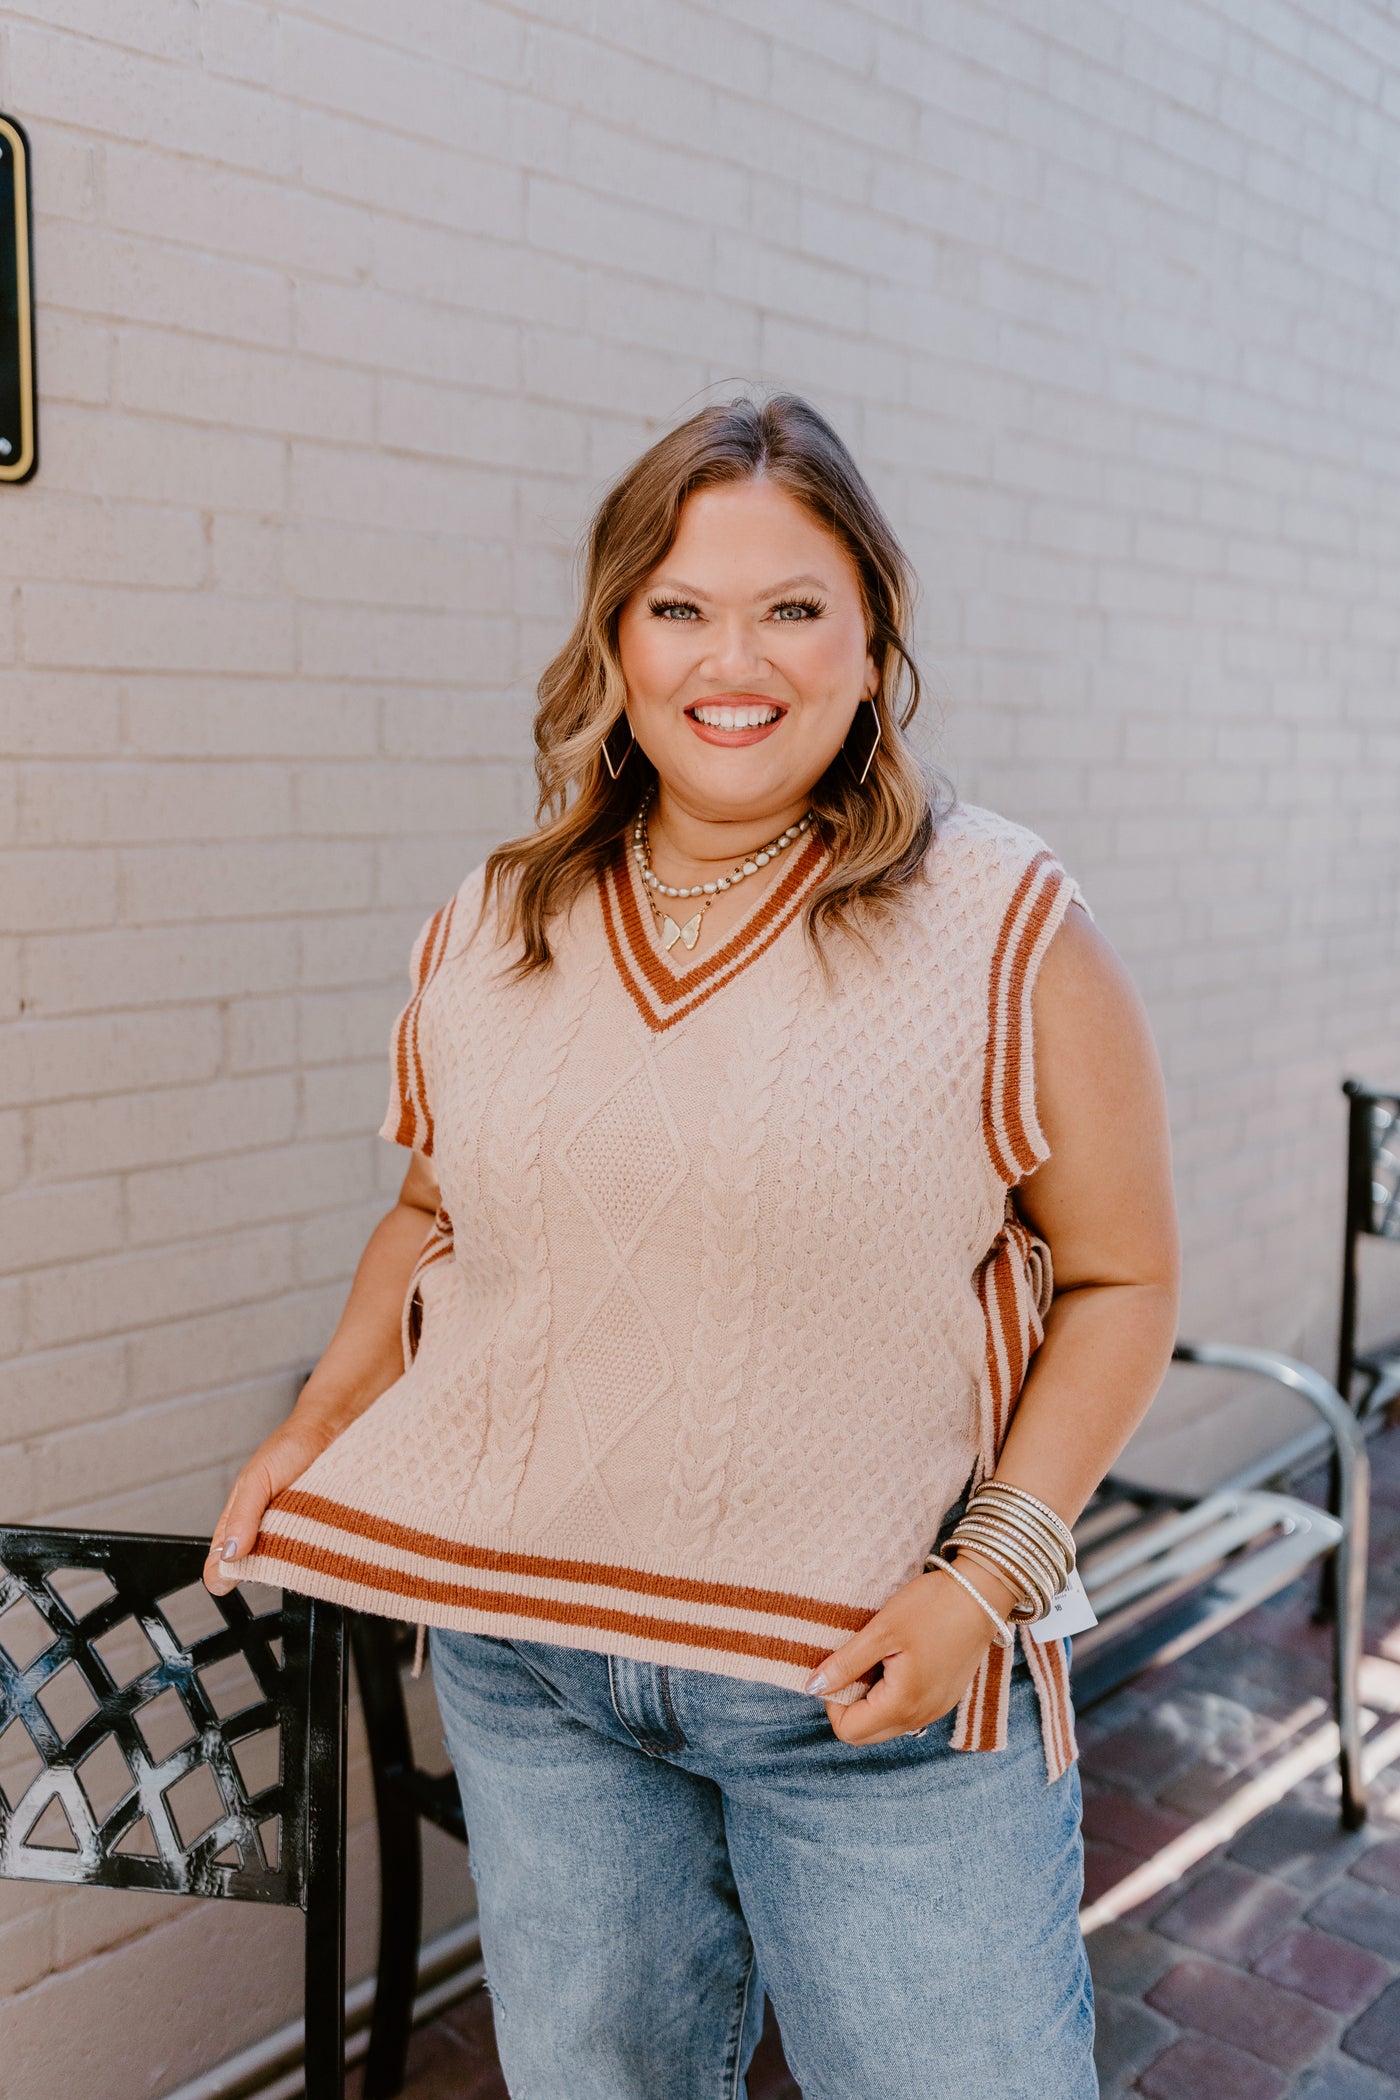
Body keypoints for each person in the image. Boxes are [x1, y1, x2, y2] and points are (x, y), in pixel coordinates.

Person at [206, 394, 1179, 2099]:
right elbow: (434, 1216)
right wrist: (315, 1424)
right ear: (617, 641)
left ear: (872, 643)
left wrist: (985, 1583)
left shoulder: (1005, 919)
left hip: (878, 1689)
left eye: (794, 608)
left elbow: (1121, 1280)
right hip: (534, 1670)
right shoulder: (493, 921)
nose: (737, 660)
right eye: (680, 608)